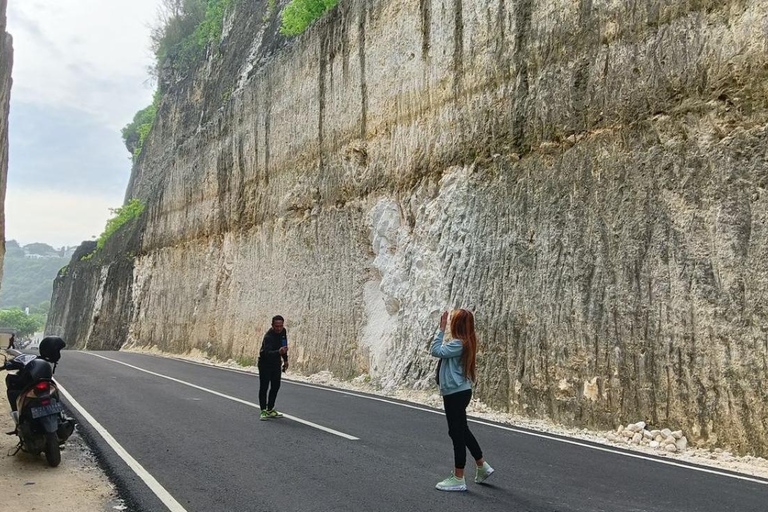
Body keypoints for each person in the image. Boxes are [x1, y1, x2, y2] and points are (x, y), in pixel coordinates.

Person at [431, 309, 494, 492]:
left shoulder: (458, 344)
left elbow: (435, 350)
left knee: (456, 433)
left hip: (455, 394)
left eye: (452, 321)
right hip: (460, 392)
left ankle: (458, 477)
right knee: (462, 430)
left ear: (456, 325)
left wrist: (441, 329)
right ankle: (482, 465)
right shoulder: (466, 342)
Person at [258, 315, 289, 420]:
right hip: (265, 364)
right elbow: (266, 353)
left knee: (276, 386)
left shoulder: (283, 332)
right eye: (276, 326)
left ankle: (270, 409)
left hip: (276, 363)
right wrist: (278, 352)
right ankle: (263, 410)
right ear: (272, 325)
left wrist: (285, 360)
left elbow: (284, 346)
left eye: (281, 326)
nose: (279, 328)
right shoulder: (268, 337)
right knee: (264, 387)